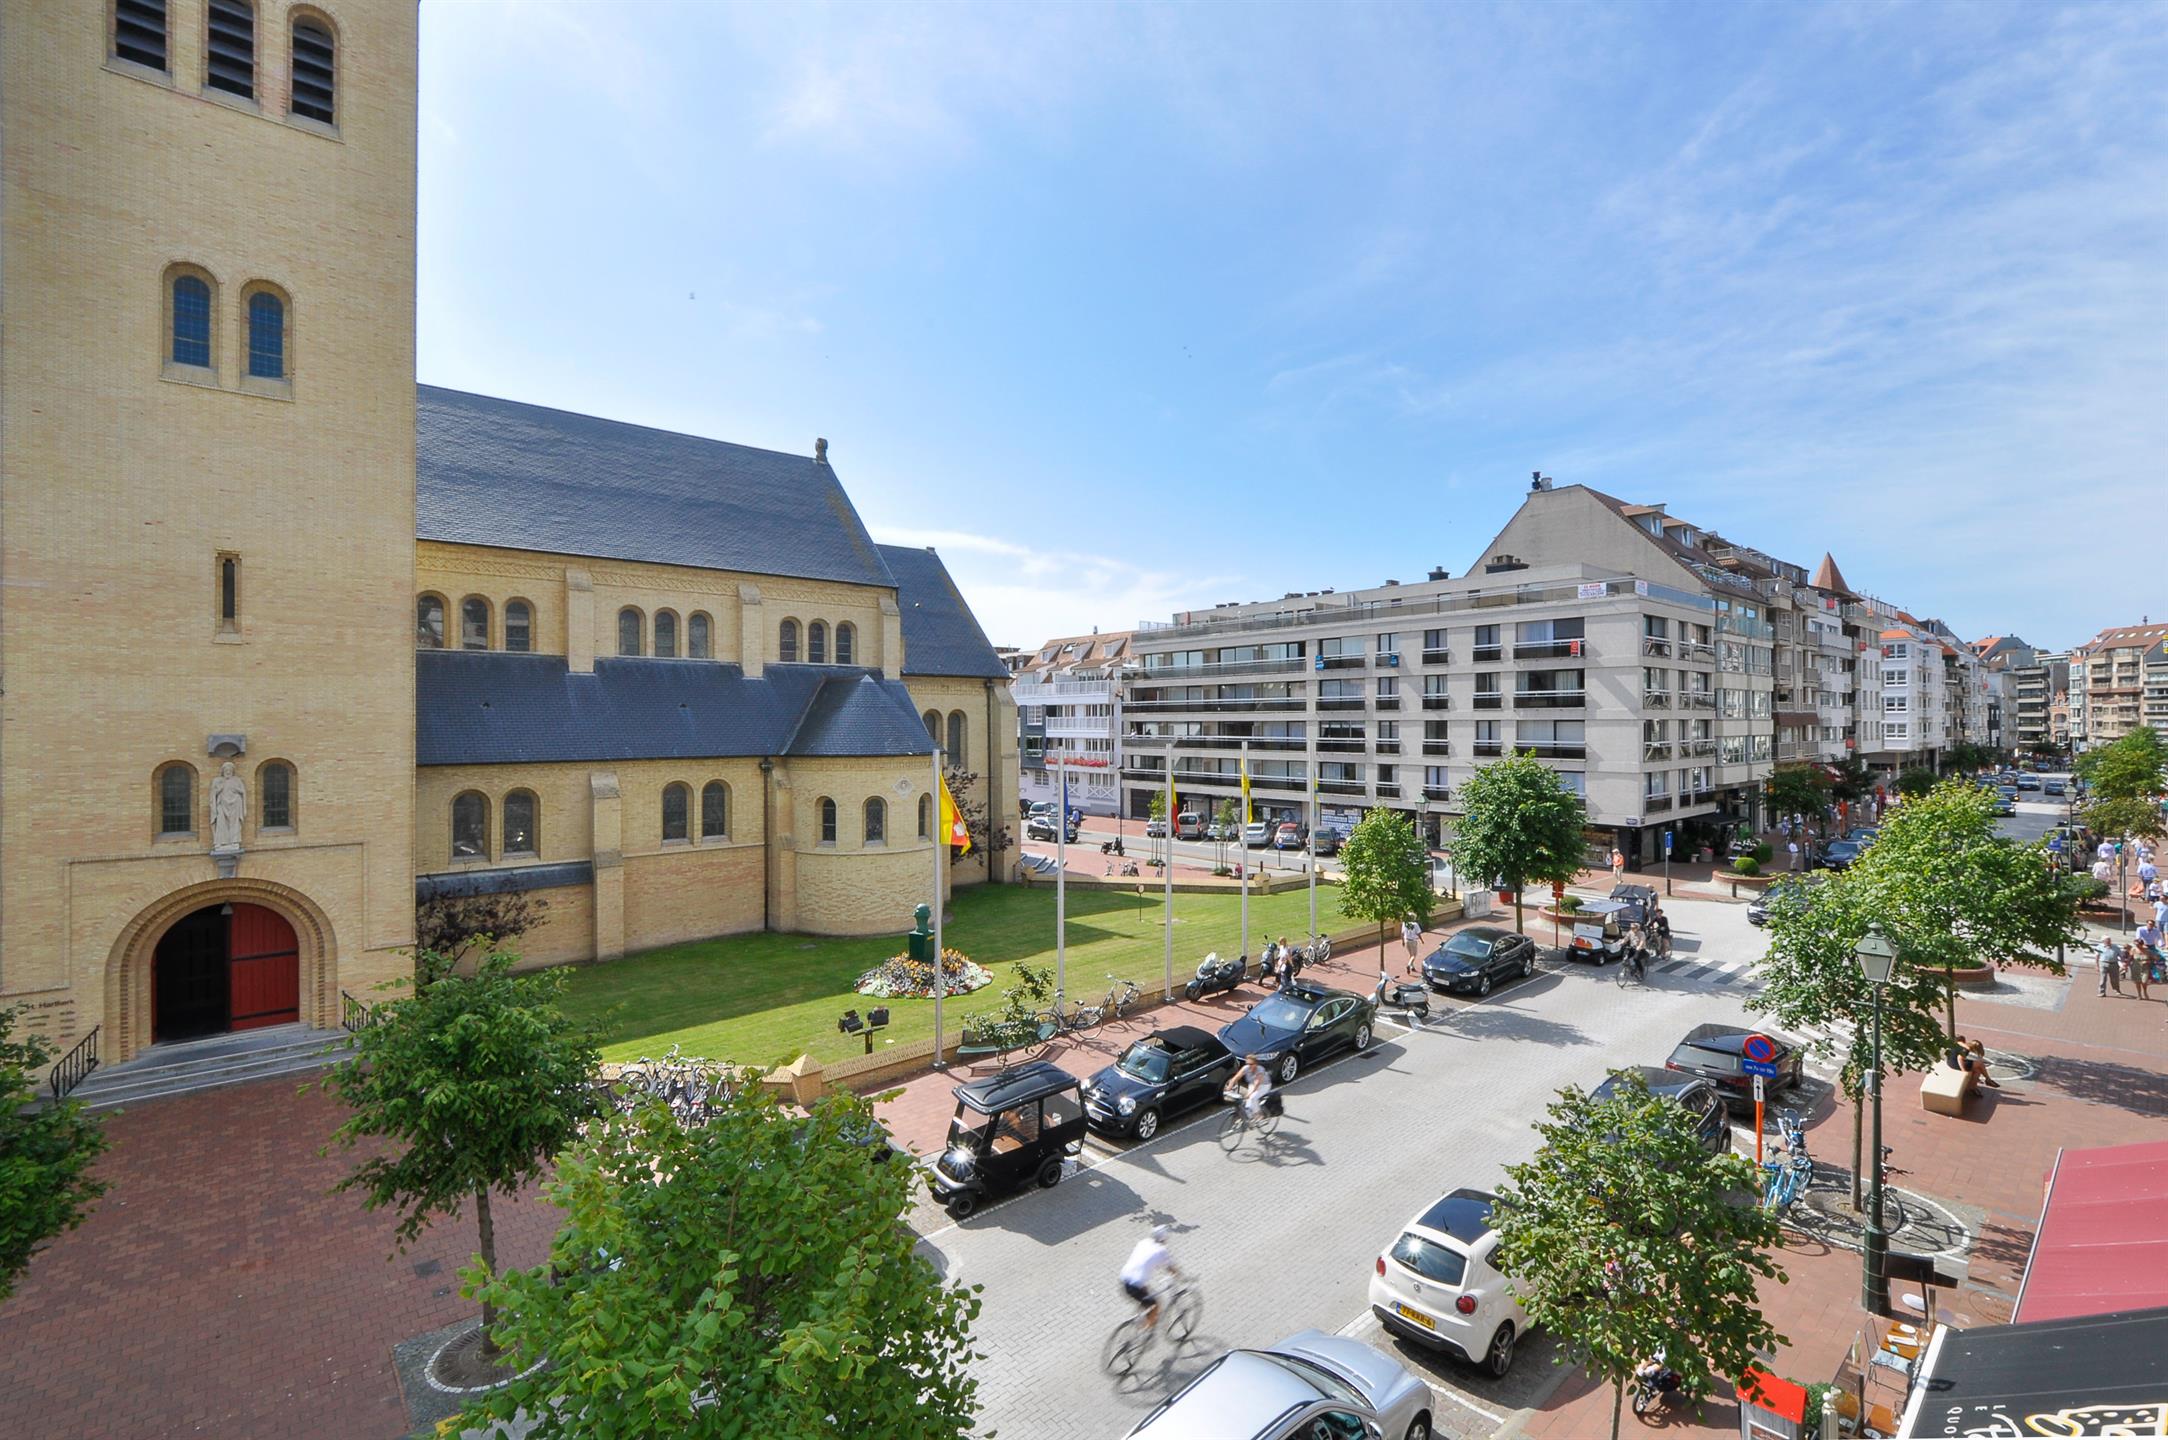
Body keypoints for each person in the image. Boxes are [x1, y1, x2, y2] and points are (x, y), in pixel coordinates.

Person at [1119, 1225, 1180, 1331]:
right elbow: (1171, 1268)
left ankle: (1143, 1314)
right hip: (1135, 1285)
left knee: (1146, 1293)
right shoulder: (1161, 1251)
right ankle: (1147, 1330)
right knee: (1156, 1306)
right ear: (1164, 1238)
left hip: (1125, 1278)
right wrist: (1181, 1277)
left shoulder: (1143, 1242)